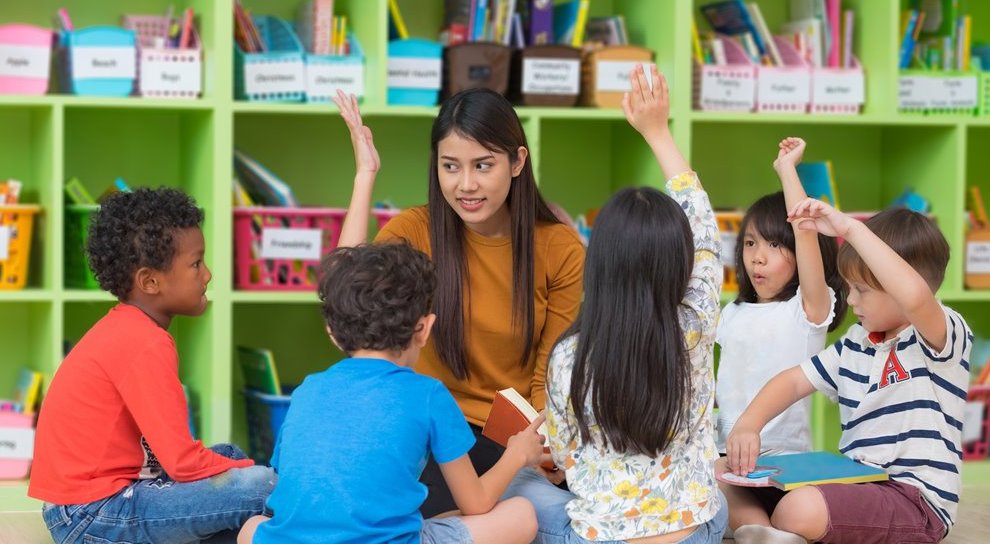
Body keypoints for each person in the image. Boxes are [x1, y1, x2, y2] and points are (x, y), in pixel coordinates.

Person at [332, 87, 585, 515]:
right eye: (450, 166)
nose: (465, 185)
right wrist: (365, 176)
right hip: (420, 430)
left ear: (517, 162)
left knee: (557, 519)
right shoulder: (415, 230)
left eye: (482, 166)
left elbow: (551, 379)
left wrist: (549, 447)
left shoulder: (559, 249)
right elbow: (346, 306)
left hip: (506, 442)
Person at [504, 64, 727, 544]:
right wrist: (657, 131)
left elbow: (563, 461)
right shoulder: (698, 318)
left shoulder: (570, 356)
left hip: (598, 535)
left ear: (599, 261)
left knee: (515, 482)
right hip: (693, 531)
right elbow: (704, 227)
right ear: (679, 261)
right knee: (717, 492)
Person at [237, 241, 545, 544]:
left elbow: (289, 484)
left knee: (252, 527)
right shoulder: (428, 394)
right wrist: (517, 454)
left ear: (332, 332)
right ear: (424, 329)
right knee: (521, 514)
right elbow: (475, 503)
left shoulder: (307, 389)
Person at [30, 187, 276, 544]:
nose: (207, 275)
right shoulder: (145, 341)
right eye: (196, 264)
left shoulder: (129, 327)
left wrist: (238, 467)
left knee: (229, 456)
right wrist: (254, 473)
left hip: (89, 505)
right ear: (150, 281)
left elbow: (174, 458)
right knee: (262, 484)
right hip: (92, 515)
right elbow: (182, 462)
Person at [725, 200, 971, 544]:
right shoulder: (856, 342)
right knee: (718, 472)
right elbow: (795, 380)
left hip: (915, 502)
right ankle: (759, 530)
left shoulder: (941, 336)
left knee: (798, 508)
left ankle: (778, 525)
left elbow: (915, 296)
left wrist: (851, 229)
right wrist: (748, 424)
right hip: (858, 482)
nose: (851, 300)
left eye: (862, 290)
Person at [714, 138, 847, 531]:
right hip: (730, 463)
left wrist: (787, 170)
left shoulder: (807, 311)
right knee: (707, 478)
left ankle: (762, 527)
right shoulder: (732, 313)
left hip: (785, 464)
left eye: (774, 245)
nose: (758, 256)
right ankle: (760, 532)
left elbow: (805, 233)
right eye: (751, 243)